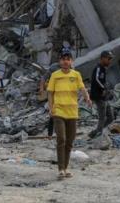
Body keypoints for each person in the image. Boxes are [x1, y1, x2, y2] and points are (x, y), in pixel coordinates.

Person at [47, 48, 92, 179]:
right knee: (61, 139)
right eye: (63, 59)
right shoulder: (55, 75)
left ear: (71, 61)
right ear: (60, 61)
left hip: (72, 112)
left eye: (68, 59)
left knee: (70, 142)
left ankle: (66, 168)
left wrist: (87, 98)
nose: (65, 62)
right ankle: (60, 169)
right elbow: (50, 92)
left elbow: (82, 89)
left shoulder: (76, 74)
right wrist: (51, 107)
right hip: (59, 111)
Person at [88, 50, 115, 138]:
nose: (110, 61)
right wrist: (104, 88)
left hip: (104, 97)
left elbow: (102, 80)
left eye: (111, 59)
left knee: (110, 118)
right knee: (102, 118)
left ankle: (95, 132)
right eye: (109, 58)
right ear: (103, 58)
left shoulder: (103, 68)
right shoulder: (98, 68)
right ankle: (98, 135)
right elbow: (96, 79)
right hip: (99, 96)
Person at [38, 62, 59, 137]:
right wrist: (41, 88)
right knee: (53, 113)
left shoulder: (70, 67)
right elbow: (44, 78)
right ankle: (50, 133)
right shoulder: (54, 67)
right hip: (53, 92)